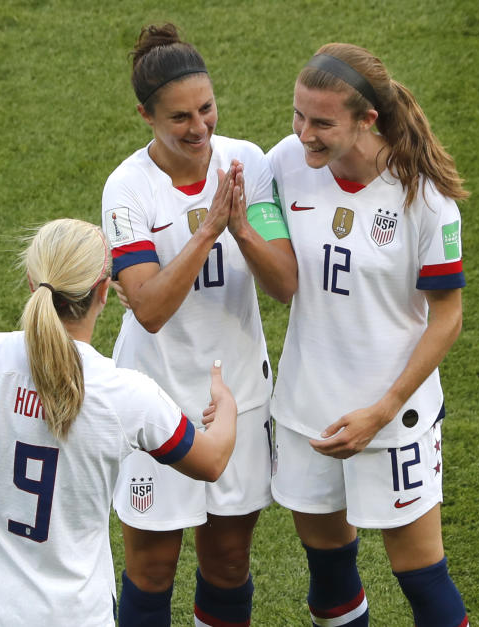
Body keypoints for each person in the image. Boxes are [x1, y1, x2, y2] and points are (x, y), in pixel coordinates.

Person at [0, 218, 238, 626]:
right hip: (73, 614)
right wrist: (227, 407)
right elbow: (212, 461)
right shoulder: (127, 394)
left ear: (31, 280)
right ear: (104, 293)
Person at [267, 43, 471, 627]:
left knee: (421, 575)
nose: (304, 133)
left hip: (392, 416)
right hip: (308, 410)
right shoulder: (285, 163)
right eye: (298, 115)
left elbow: (447, 318)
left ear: (366, 120)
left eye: (322, 122)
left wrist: (381, 411)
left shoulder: (425, 202)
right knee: (328, 573)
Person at [102, 23, 297, 627]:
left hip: (239, 393)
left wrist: (241, 228)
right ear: (146, 115)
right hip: (154, 393)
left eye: (207, 109)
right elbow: (150, 309)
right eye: (180, 117)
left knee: (229, 563)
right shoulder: (127, 188)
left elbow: (285, 285)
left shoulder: (250, 163)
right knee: (152, 569)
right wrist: (210, 228)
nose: (200, 128)